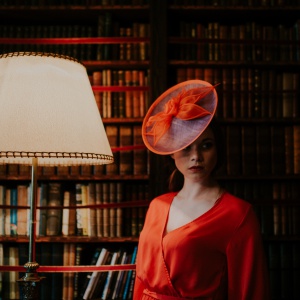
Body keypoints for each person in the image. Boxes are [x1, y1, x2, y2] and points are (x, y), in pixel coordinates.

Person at [133, 80, 270, 300]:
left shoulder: (237, 215)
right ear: (172, 151)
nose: (196, 156)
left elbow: (250, 290)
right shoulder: (157, 206)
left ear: (218, 148)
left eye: (206, 145)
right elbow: (141, 284)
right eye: (186, 147)